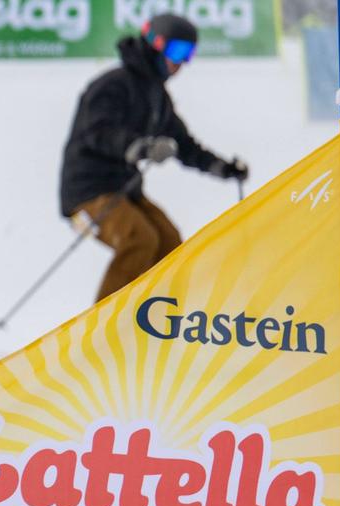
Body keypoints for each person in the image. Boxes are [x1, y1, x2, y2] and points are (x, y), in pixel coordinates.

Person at [59, 14, 250, 302]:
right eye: (177, 52)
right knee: (139, 239)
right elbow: (97, 131)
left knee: (170, 244)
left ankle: (157, 323)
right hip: (87, 192)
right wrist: (139, 146)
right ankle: (103, 329)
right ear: (155, 44)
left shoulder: (157, 97)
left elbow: (184, 145)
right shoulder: (113, 84)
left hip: (125, 191)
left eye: (189, 55)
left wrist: (220, 167)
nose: (181, 63)